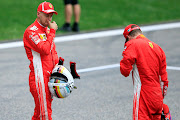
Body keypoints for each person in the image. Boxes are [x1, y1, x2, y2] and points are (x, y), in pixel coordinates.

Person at [120, 24, 169, 120]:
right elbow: (164, 79)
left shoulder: (132, 44)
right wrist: (160, 97)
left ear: (128, 37)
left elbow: (124, 71)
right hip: (157, 97)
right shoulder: (158, 48)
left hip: (143, 96)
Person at [23, 2, 59, 120]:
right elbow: (44, 49)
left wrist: (59, 70)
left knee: (39, 114)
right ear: (38, 14)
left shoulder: (47, 31)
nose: (49, 19)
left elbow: (53, 54)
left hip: (49, 77)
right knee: (45, 115)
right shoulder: (31, 31)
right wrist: (52, 32)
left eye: (51, 16)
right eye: (46, 15)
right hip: (39, 79)